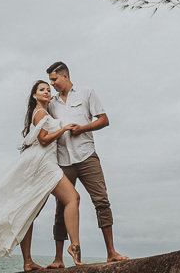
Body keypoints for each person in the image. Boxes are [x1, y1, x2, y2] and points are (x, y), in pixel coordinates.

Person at [0, 80, 86, 269]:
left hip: (42, 162)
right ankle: (74, 246)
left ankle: (28, 262)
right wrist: (63, 129)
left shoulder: (45, 112)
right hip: (44, 164)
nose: (47, 92)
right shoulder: (40, 113)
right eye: (42, 90)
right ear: (34, 95)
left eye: (48, 90)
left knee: (28, 211)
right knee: (73, 198)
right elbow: (44, 140)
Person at [43, 61, 128, 266]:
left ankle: (111, 252)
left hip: (87, 156)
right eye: (50, 80)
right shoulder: (51, 103)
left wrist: (82, 128)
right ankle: (58, 259)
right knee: (61, 207)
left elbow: (104, 119)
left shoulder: (86, 93)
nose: (52, 83)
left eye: (54, 79)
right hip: (63, 161)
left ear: (65, 76)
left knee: (101, 201)